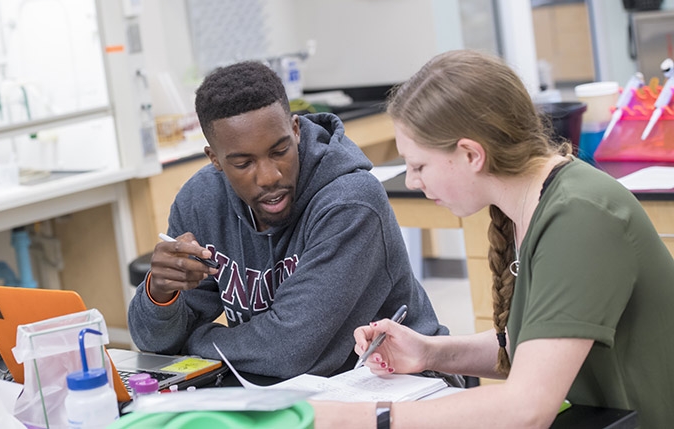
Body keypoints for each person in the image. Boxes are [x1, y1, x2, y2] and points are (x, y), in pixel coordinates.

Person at [311, 49, 674, 427]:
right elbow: (538, 344)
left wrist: (361, 419)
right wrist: (430, 352)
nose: (413, 181)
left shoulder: (580, 215)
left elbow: (527, 408)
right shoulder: (535, 202)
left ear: (471, 154)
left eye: (419, 165)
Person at [127, 60, 449, 379]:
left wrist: (194, 341)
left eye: (279, 150)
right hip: (286, 391)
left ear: (295, 130)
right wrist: (160, 294)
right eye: (243, 163)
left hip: (403, 385)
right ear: (215, 159)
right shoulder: (200, 201)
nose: (269, 176)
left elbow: (288, 352)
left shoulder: (350, 201)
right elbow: (154, 344)